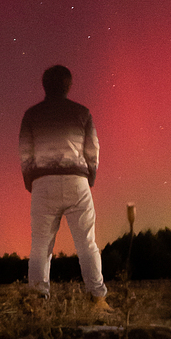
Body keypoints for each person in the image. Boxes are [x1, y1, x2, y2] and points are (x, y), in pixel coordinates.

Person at [19, 64, 109, 305]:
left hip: (43, 182)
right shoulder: (82, 113)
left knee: (40, 245)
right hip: (76, 181)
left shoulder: (31, 115)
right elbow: (93, 151)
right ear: (69, 86)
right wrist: (89, 177)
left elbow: (25, 154)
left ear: (44, 85)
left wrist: (32, 181)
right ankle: (97, 299)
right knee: (87, 243)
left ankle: (38, 300)